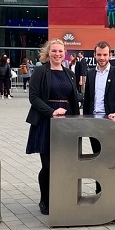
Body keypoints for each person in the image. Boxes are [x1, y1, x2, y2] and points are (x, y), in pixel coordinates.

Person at [25, 39, 80, 216]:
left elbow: (73, 98)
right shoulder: (41, 71)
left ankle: (62, 197)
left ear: (65, 53)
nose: (57, 54)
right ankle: (45, 200)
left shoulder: (69, 73)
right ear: (48, 53)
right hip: (46, 121)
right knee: (48, 165)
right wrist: (51, 111)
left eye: (60, 51)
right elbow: (33, 97)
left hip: (66, 124)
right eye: (54, 51)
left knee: (64, 164)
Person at [83, 40, 115, 193]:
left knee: (113, 159)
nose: (102, 58)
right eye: (99, 54)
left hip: (111, 124)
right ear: (95, 55)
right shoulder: (90, 74)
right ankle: (100, 193)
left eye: (105, 54)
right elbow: (88, 99)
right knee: (98, 159)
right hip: (94, 124)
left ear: (110, 55)